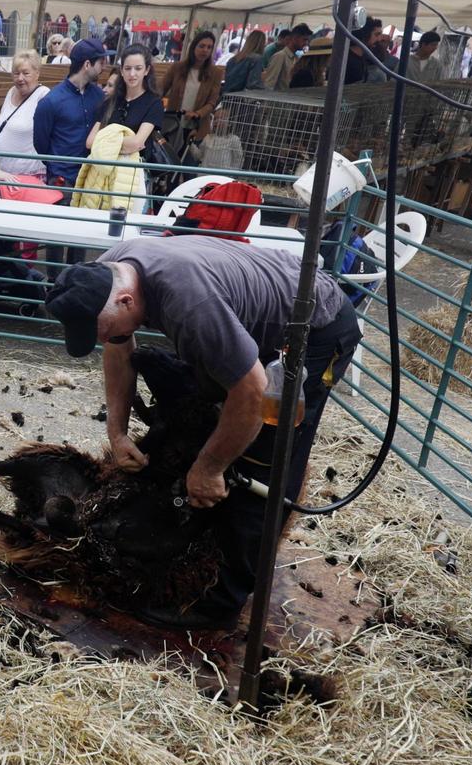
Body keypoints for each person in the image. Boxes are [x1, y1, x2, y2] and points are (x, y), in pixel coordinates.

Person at [43, 235, 360, 630]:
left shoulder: (190, 305)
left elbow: (252, 392)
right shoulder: (108, 273)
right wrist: (117, 433)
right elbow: (117, 349)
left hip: (312, 329)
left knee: (266, 461)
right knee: (208, 422)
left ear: (126, 301)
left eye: (103, 329)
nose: (102, 339)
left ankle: (221, 604)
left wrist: (209, 469)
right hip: (253, 324)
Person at [72, 43, 162, 214]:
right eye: (127, 68)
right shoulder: (110, 102)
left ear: (147, 70)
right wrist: (125, 144)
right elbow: (90, 142)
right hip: (102, 175)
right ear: (121, 71)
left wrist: (106, 143)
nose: (132, 74)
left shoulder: (154, 103)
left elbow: (137, 143)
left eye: (138, 68)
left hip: (133, 178)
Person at [30, 38, 109, 189]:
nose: (104, 67)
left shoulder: (99, 96)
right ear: (87, 65)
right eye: (101, 62)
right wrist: (58, 165)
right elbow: (41, 145)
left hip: (92, 178)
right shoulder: (51, 101)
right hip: (62, 180)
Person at [0, 50, 54, 200]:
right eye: (16, 73)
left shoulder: (43, 95)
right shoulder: (11, 91)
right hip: (0, 173)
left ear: (37, 73)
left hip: (25, 177)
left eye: (26, 73)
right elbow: (1, 127)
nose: (20, 78)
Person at [162, 30, 223, 159]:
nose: (205, 50)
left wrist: (198, 113)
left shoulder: (215, 73)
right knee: (169, 163)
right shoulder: (177, 68)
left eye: (209, 47)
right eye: (202, 46)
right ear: (193, 46)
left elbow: (212, 102)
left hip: (197, 128)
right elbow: (160, 89)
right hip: (173, 125)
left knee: (189, 163)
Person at [260, 24, 313, 90]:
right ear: (295, 38)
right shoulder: (280, 56)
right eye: (304, 39)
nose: (306, 43)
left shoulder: (296, 58)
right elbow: (269, 83)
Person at [220, 30, 268, 95]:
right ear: (261, 44)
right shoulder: (256, 59)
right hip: (242, 99)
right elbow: (253, 84)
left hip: (227, 97)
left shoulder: (233, 59)